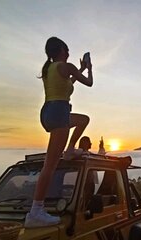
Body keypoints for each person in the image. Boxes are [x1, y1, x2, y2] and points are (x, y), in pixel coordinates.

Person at [25, 37, 93, 228]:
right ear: (62, 50)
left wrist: (78, 70)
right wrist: (88, 68)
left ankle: (70, 149)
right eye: (67, 48)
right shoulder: (66, 66)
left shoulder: (50, 69)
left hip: (48, 112)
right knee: (50, 165)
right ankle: (36, 212)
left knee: (83, 120)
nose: (69, 52)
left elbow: (68, 84)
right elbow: (89, 83)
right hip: (59, 112)